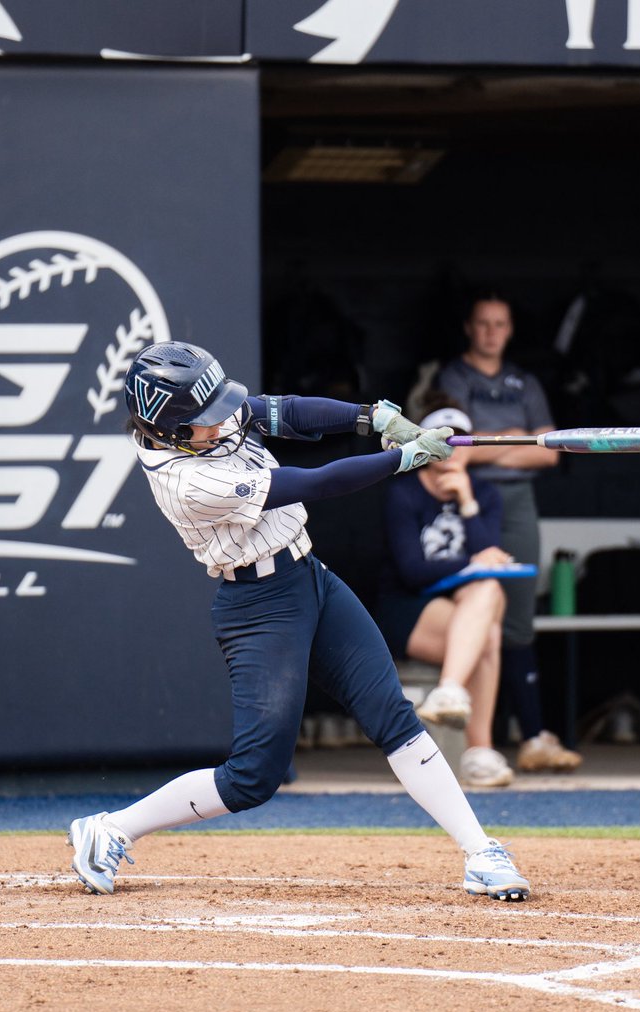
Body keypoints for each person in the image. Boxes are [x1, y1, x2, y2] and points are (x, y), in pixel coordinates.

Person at [67, 341, 532, 901]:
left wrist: (371, 417)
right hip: (258, 607)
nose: (224, 422)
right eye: (205, 421)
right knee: (253, 776)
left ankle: (480, 851)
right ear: (167, 430)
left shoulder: (200, 416)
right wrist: (400, 459)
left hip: (311, 577)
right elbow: (315, 483)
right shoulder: (189, 484)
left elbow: (282, 411)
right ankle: (111, 828)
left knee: (391, 713)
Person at [436, 291, 581, 773]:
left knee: (519, 616)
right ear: (468, 328)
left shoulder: (525, 381)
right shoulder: (453, 376)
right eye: (483, 323)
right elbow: (456, 451)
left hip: (516, 500)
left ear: (511, 329)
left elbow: (549, 453)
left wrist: (485, 447)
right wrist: (509, 445)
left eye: (500, 323)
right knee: (482, 608)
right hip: (466, 495)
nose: (491, 332)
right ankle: (486, 742)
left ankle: (533, 734)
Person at [377, 397, 515, 788]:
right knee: (486, 628)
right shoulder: (404, 494)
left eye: (463, 442)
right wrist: (473, 565)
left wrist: (468, 503)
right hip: (410, 607)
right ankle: (479, 752)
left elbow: (489, 555)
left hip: (462, 608)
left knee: (487, 600)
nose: (454, 450)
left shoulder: (484, 495)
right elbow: (413, 571)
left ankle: (450, 691)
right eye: (446, 441)